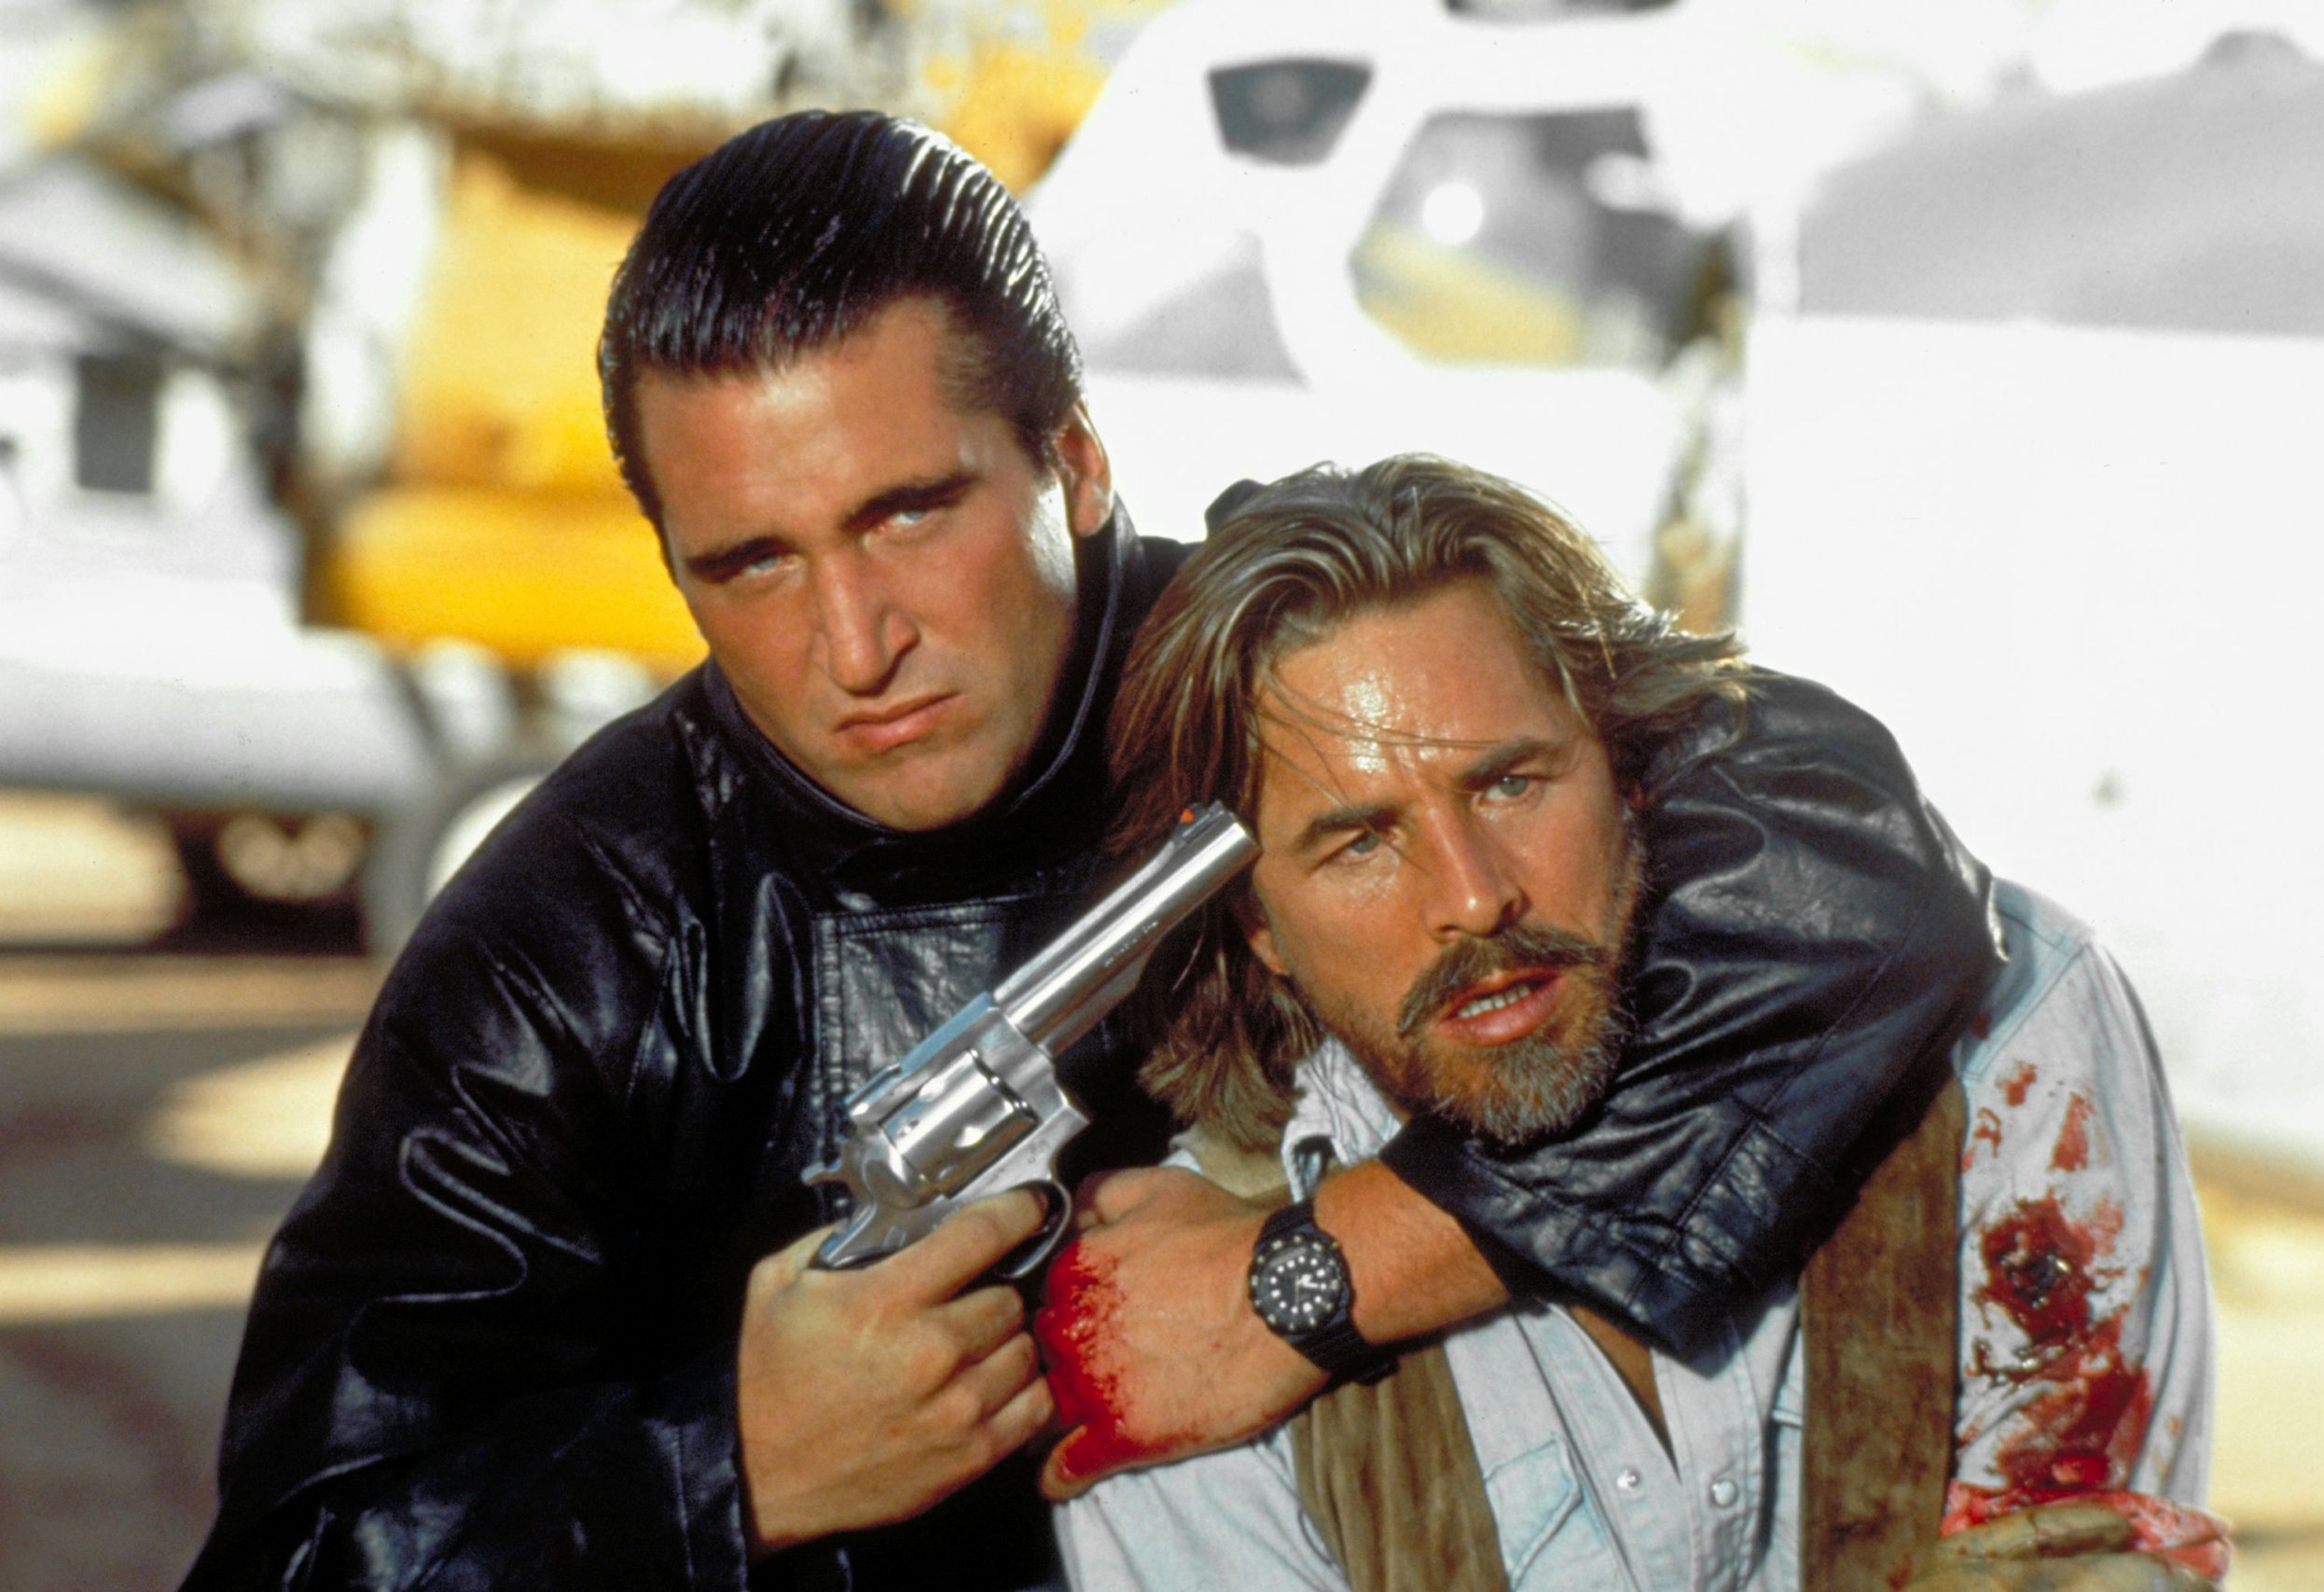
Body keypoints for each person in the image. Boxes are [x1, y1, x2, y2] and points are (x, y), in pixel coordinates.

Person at [181, 113, 1999, 1590]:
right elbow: (297, 1554)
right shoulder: (566, 954)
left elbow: (1851, 861)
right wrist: (720, 1467)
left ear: (1071, 460)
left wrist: (1319, 1274)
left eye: (909, 514)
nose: (855, 643)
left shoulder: (1294, 674)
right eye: (754, 562)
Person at [1050, 454, 2227, 1590]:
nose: (1474, 898)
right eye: (1360, 842)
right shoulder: (1164, 1321)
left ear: (1632, 771)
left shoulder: (2006, 1047)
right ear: (1257, 923)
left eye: (1510, 784)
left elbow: (2086, 1564)